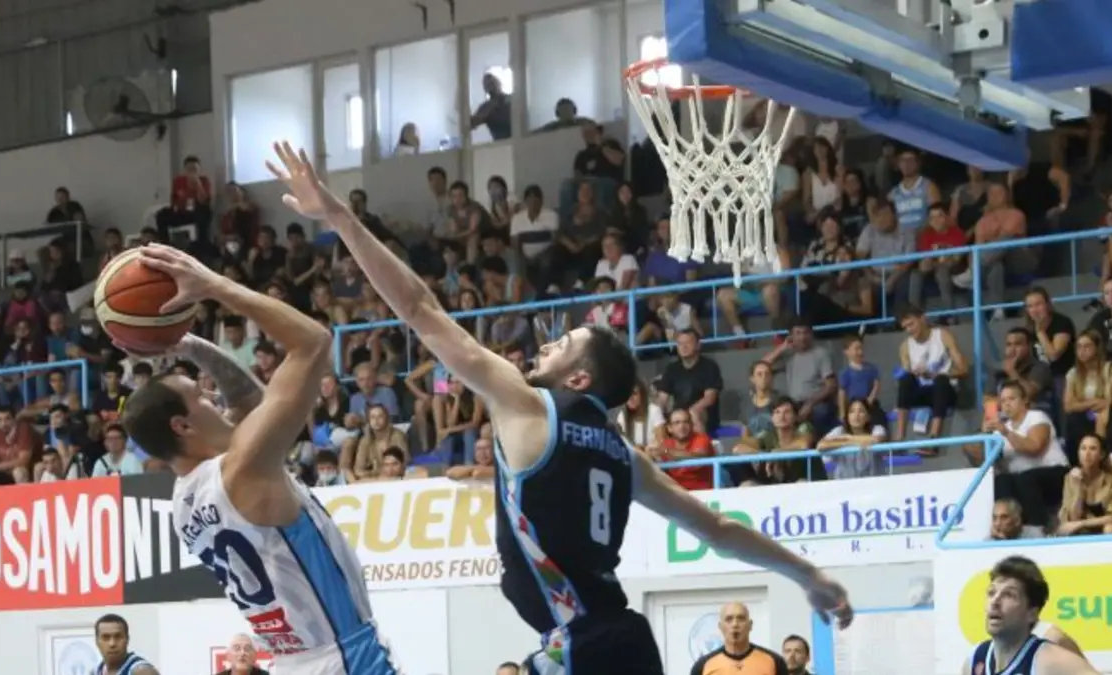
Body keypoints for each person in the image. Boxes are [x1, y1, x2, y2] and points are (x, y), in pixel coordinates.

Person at [269, 141, 852, 674]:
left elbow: (420, 309)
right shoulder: (624, 455)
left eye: (562, 343)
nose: (545, 346)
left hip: (581, 646)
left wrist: (339, 217)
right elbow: (719, 529)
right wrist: (807, 574)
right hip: (625, 640)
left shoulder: (527, 405)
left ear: (578, 377)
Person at [120, 243, 394, 672]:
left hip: (294, 662)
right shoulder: (242, 467)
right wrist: (214, 285)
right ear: (182, 426)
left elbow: (247, 401)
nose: (214, 396)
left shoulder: (185, 502)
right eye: (201, 397)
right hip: (345, 657)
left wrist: (188, 344)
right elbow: (313, 342)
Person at [962, 556, 1099, 675]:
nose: (995, 601)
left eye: (1009, 595)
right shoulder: (975, 659)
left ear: (1032, 613)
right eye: (991, 592)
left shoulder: (1048, 660)